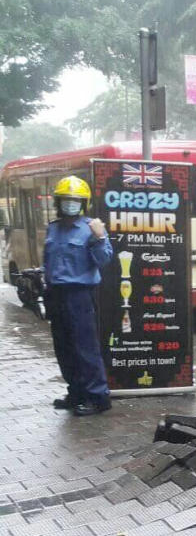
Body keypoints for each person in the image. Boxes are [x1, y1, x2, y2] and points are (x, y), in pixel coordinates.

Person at [43, 176, 114, 416]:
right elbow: (49, 261)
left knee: (85, 348)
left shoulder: (90, 228)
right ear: (58, 202)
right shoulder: (53, 228)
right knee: (63, 347)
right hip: (56, 293)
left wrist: (100, 237)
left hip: (79, 295)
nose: (70, 204)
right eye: (66, 200)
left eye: (75, 200)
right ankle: (76, 392)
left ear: (83, 203)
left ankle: (98, 397)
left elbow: (104, 260)